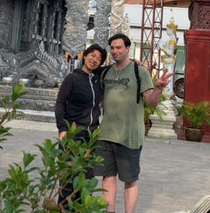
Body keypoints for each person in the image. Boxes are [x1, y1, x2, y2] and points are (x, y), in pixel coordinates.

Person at [96, 33, 172, 213]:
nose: (115, 51)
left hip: (129, 135)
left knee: (130, 179)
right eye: (112, 48)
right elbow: (98, 99)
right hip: (106, 134)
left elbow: (151, 102)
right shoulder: (105, 72)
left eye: (119, 47)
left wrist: (159, 87)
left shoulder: (140, 71)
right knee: (107, 178)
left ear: (128, 48)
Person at [55, 43, 107, 209]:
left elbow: (116, 67)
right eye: (92, 55)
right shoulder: (72, 78)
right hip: (73, 135)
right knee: (68, 180)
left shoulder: (97, 78)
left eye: (99, 59)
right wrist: (62, 128)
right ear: (85, 56)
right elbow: (60, 103)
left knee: (86, 180)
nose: (94, 60)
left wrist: (135, 63)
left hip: (90, 138)